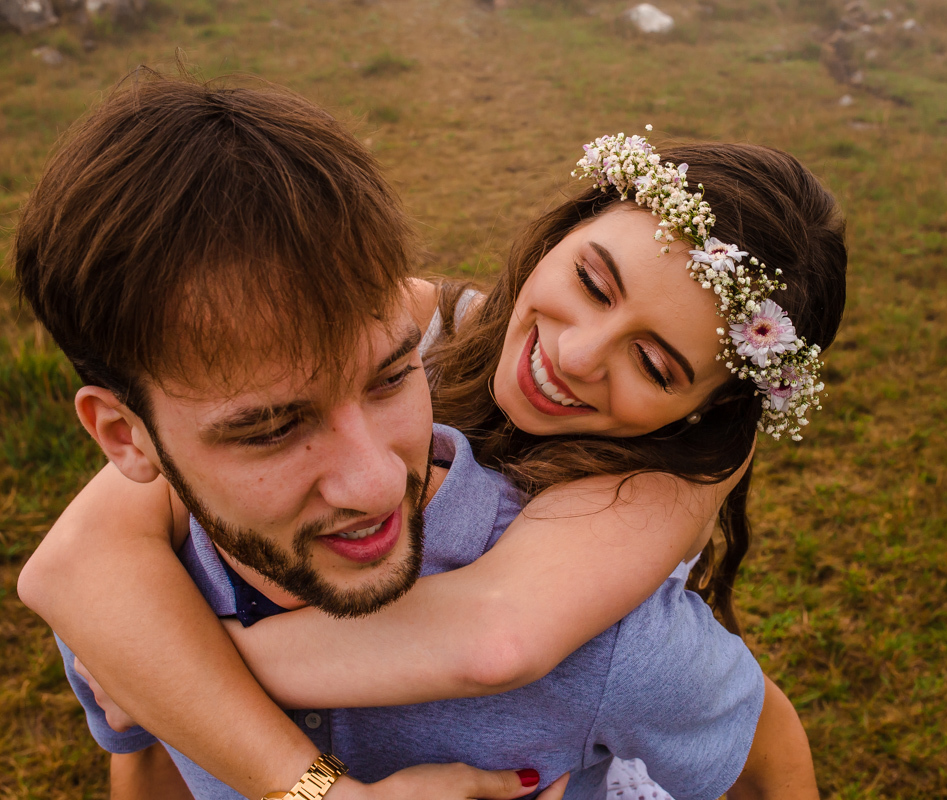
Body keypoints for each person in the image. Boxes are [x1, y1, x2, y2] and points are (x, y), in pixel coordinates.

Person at [17, 74, 844, 798]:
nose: (577, 354)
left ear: (701, 414)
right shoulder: (145, 571)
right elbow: (126, 707)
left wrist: (174, 670)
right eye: (271, 427)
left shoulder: (629, 578)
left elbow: (506, 639)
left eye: (657, 367)